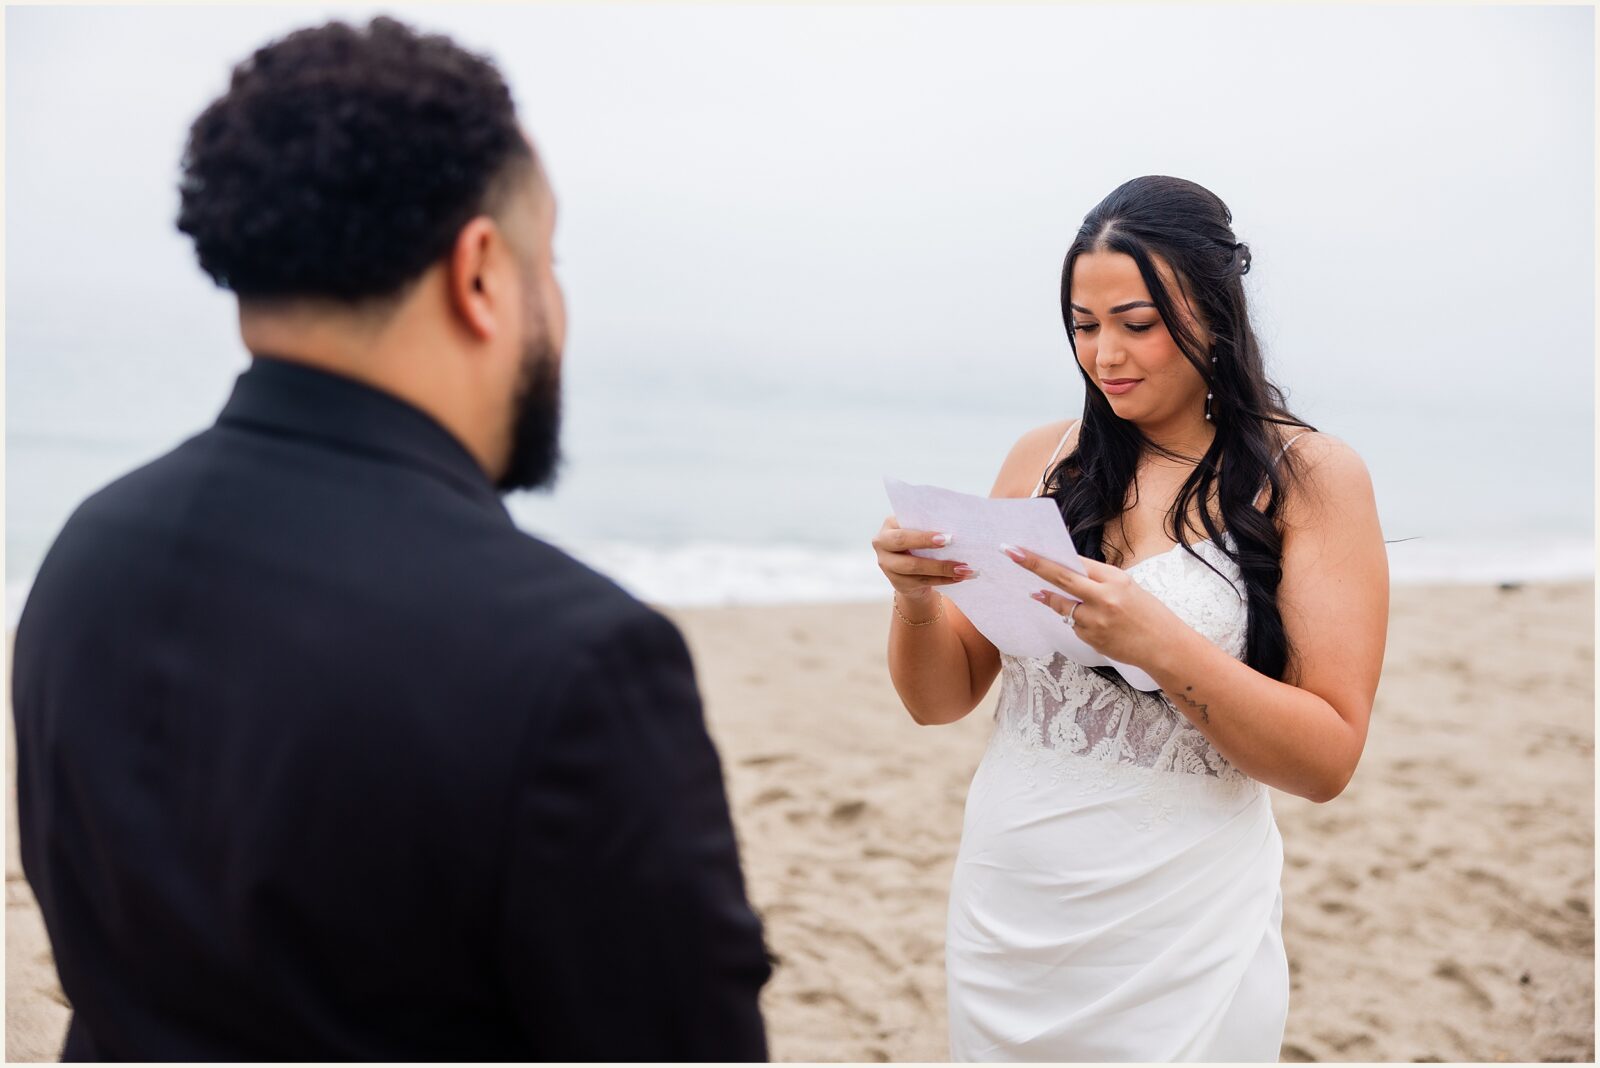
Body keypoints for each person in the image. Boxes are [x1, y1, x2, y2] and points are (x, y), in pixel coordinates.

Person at [12, 17, 770, 1061]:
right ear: (480, 272)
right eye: (547, 261)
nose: (557, 303)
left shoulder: (89, 553)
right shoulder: (576, 660)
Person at [872, 175, 1388, 1060]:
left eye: (1137, 324)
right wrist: (916, 599)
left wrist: (1161, 643)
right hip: (1009, 907)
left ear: (1214, 316)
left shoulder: (1311, 477)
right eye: (1084, 324)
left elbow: (1328, 758)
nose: (1105, 354)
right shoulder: (1044, 459)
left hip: (1179, 923)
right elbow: (939, 700)